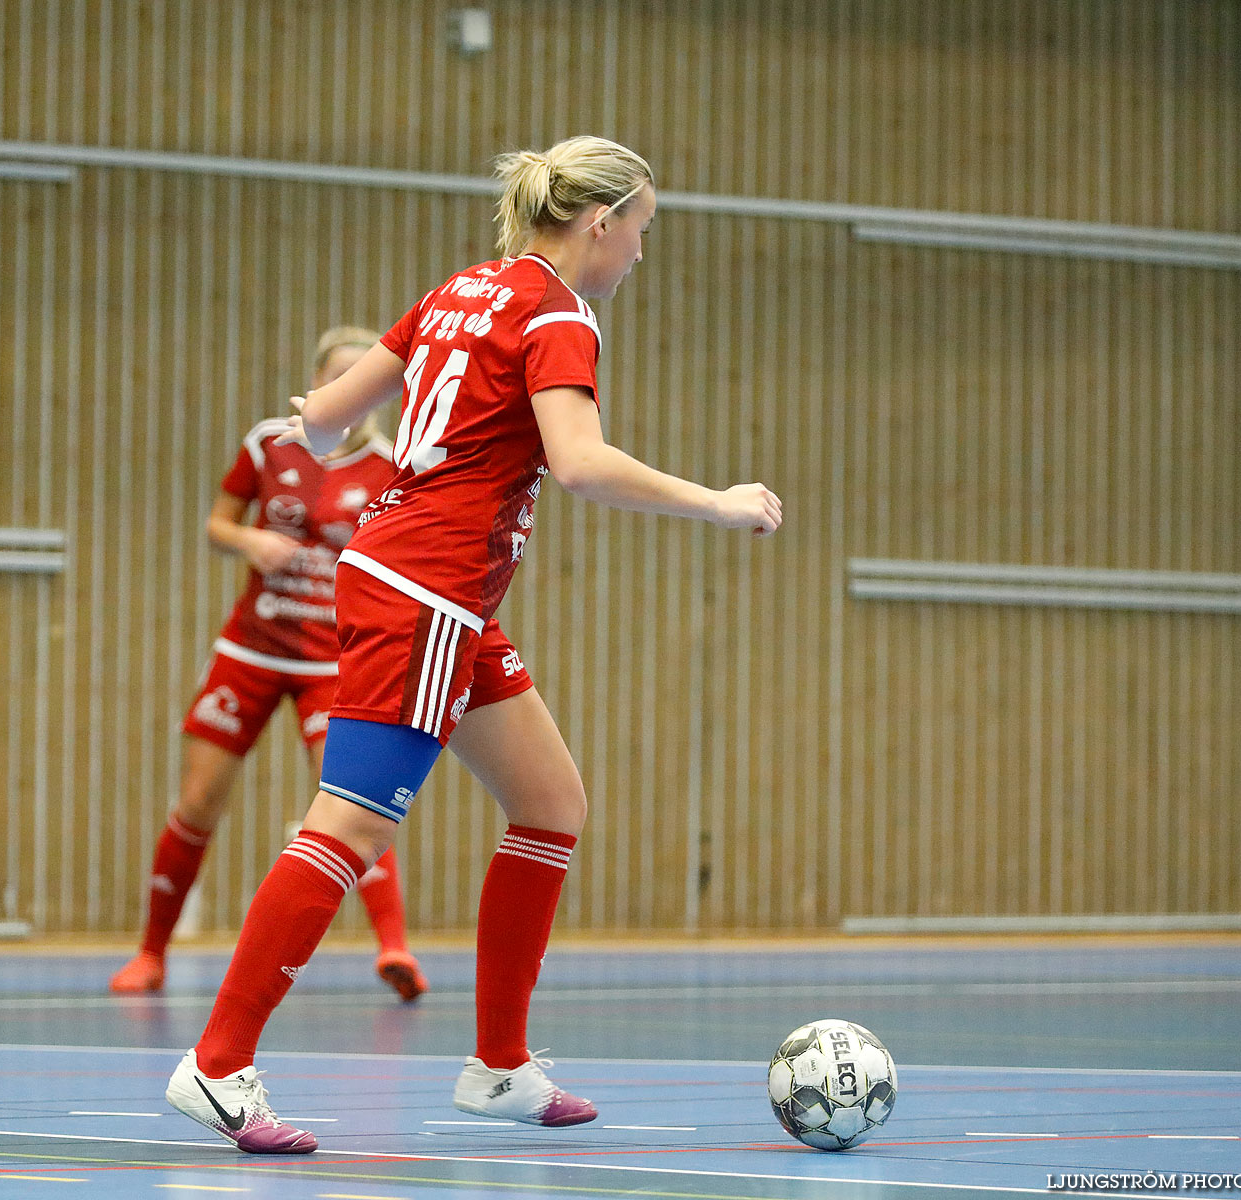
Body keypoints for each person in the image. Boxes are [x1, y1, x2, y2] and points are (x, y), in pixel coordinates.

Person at [164, 136, 782, 1155]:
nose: (639, 253)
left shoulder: (460, 290)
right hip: (427, 592)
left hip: (422, 585)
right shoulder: (556, 314)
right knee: (350, 825)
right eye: (641, 231)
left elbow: (319, 425)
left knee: (550, 804)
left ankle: (500, 1067)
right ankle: (219, 1062)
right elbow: (578, 465)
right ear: (599, 222)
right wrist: (714, 502)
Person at [110, 327, 430, 1003]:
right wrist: (250, 539)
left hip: (329, 663)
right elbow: (218, 525)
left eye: (370, 380)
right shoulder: (269, 444)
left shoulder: (393, 464)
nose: (355, 393)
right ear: (318, 382)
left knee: (352, 802)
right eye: (341, 377)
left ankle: (395, 948)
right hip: (251, 651)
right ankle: (150, 952)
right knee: (199, 797)